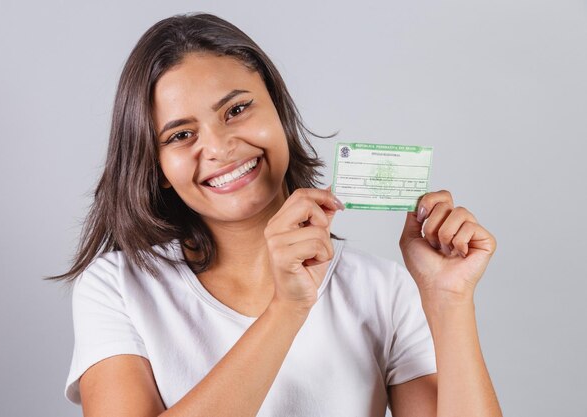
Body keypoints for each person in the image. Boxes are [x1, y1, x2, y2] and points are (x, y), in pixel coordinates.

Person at [46, 12, 503, 417]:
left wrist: (450, 302)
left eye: (237, 109)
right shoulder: (118, 287)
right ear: (158, 167)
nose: (220, 147)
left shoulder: (382, 291)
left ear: (280, 112)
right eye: (181, 135)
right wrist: (287, 310)